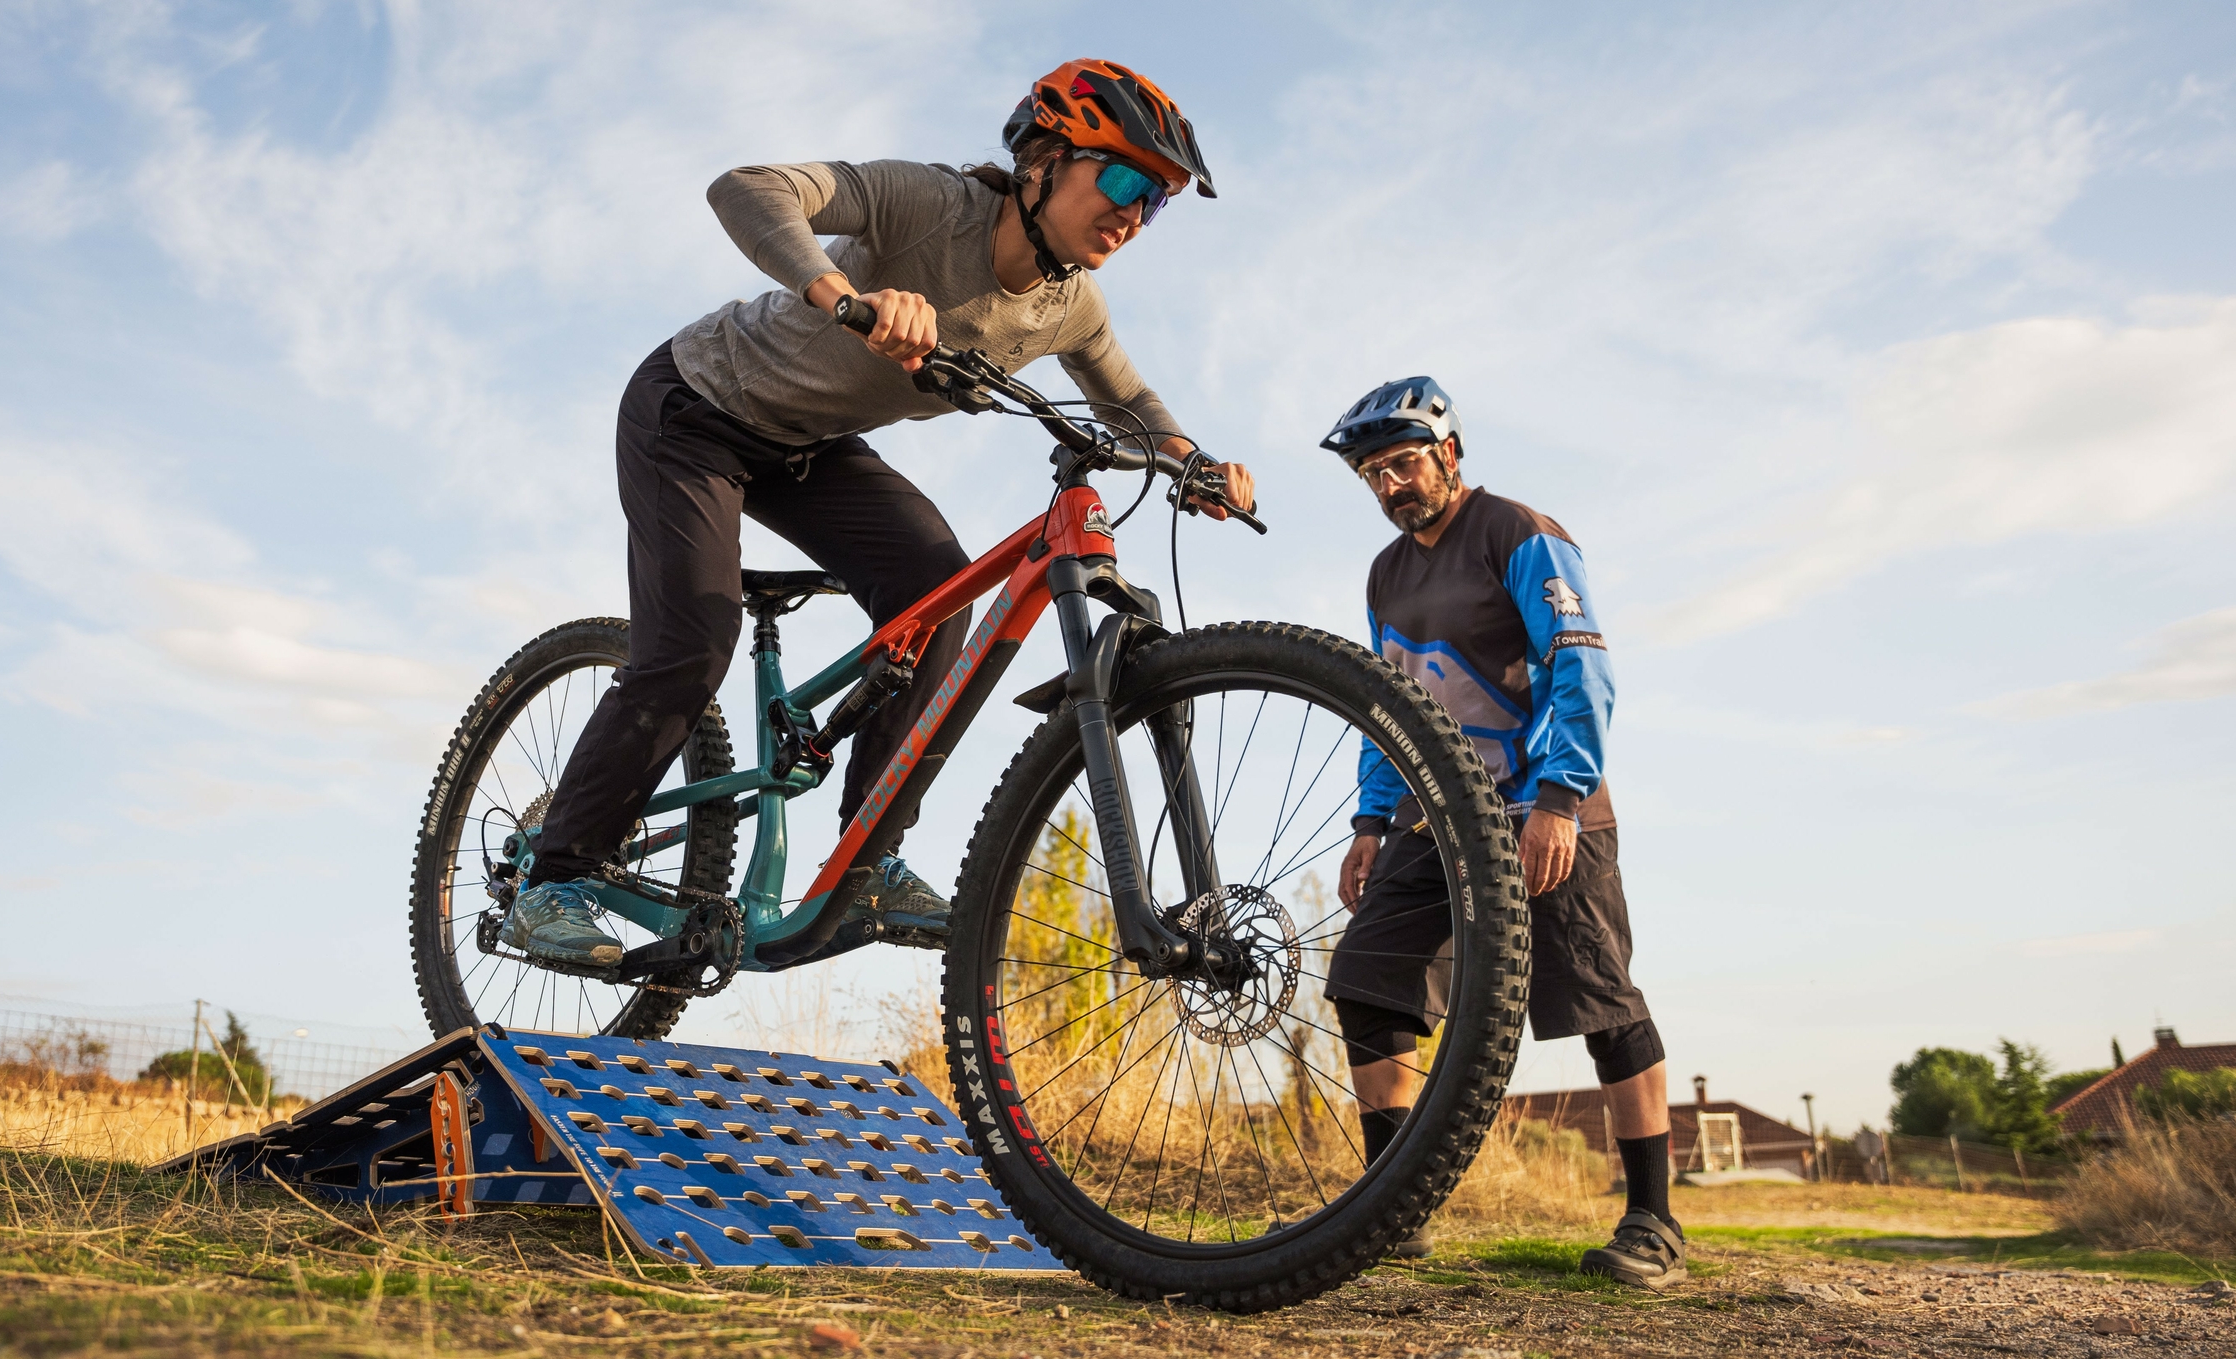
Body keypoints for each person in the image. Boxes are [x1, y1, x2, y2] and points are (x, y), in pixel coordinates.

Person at [504, 60, 1255, 969]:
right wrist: (843, 297)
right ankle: (553, 877)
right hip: (693, 409)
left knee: (938, 594)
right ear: (1044, 160)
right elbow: (747, 188)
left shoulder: (1070, 307)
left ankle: (866, 862)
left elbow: (1127, 398)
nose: (1134, 215)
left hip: (806, 445)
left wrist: (1193, 462)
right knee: (693, 643)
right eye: (1127, 182)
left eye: (1157, 203)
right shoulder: (927, 204)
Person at [1319, 377, 1684, 1289]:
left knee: (1599, 999)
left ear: (1448, 453)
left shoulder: (1517, 533)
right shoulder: (1384, 574)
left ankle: (1653, 1219)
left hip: (1542, 808)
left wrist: (1559, 798)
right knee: (1367, 980)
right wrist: (1369, 820)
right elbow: (1389, 703)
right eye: (1372, 474)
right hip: (1431, 819)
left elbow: (1580, 668)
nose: (1389, 485)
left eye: (1402, 463)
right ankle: (1390, 1207)